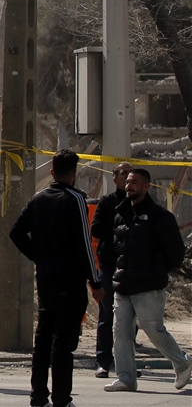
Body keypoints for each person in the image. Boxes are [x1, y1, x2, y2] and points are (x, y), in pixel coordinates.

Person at [9, 150, 105, 407]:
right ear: (74, 173)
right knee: (63, 344)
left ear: (52, 172)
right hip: (70, 282)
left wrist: (38, 256)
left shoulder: (38, 198)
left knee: (43, 340)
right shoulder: (75, 199)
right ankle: (62, 399)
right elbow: (86, 245)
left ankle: (38, 396)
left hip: (47, 281)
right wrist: (95, 282)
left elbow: (16, 232)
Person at [104, 168, 192, 392]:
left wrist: (155, 269)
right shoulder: (120, 215)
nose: (129, 186)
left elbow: (175, 253)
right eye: (128, 182)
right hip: (123, 285)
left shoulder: (160, 217)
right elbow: (116, 248)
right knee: (120, 333)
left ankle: (182, 363)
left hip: (149, 286)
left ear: (146, 187)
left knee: (154, 330)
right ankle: (126, 378)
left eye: (134, 182)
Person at [90, 161, 133, 378]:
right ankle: (103, 361)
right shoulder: (107, 202)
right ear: (114, 178)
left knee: (129, 318)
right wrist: (119, 232)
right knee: (107, 315)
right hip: (109, 266)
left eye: (130, 173)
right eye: (123, 173)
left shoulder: (139, 203)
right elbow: (96, 228)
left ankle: (126, 363)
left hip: (133, 268)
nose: (127, 177)